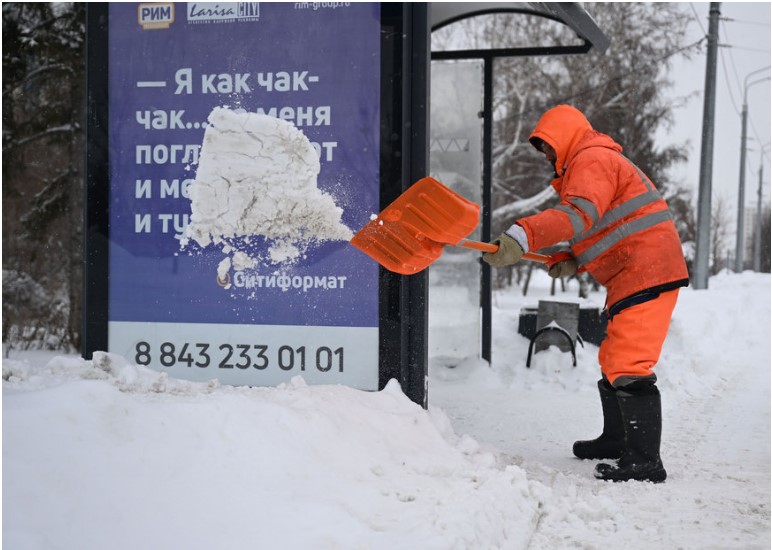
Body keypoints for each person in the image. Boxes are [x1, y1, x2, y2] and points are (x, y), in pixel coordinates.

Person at [482, 104, 689, 483]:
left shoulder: (591, 159)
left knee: (629, 363)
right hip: (636, 270)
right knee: (614, 358)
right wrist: (575, 257)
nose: (545, 156)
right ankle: (618, 440)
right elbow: (610, 225)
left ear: (564, 137)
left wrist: (523, 233)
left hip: (648, 269)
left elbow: (579, 215)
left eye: (547, 146)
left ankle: (645, 461)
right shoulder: (592, 161)